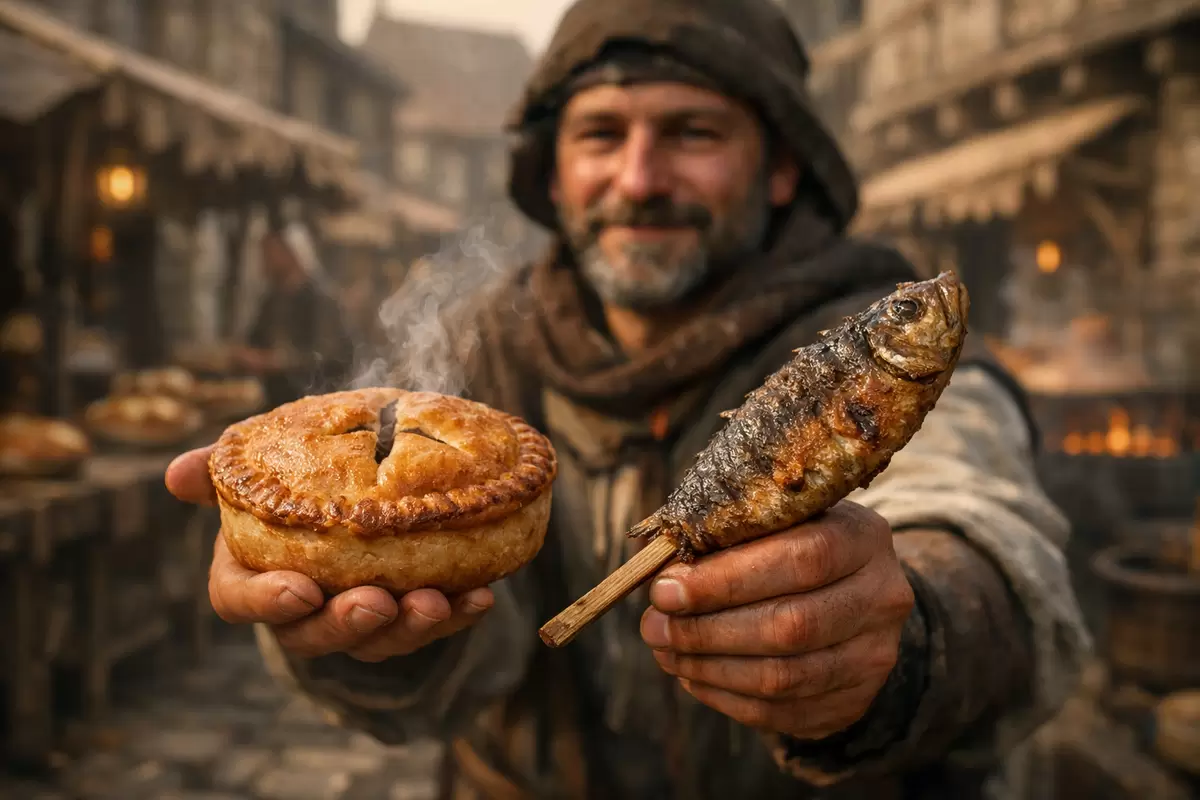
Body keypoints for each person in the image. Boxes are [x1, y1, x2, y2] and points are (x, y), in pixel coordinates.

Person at [166, 0, 1089, 796]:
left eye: (694, 132)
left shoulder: (875, 350)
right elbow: (477, 663)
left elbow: (984, 525)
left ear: (779, 167)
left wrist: (906, 639)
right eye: (601, 134)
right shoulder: (487, 349)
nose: (640, 180)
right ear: (553, 171)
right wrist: (365, 639)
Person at [234, 227, 355, 407]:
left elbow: (330, 354)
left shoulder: (321, 299)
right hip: (275, 400)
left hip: (315, 403)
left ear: (291, 252)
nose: (264, 258)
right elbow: (255, 339)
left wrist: (276, 361)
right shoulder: (271, 298)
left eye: (270, 251)